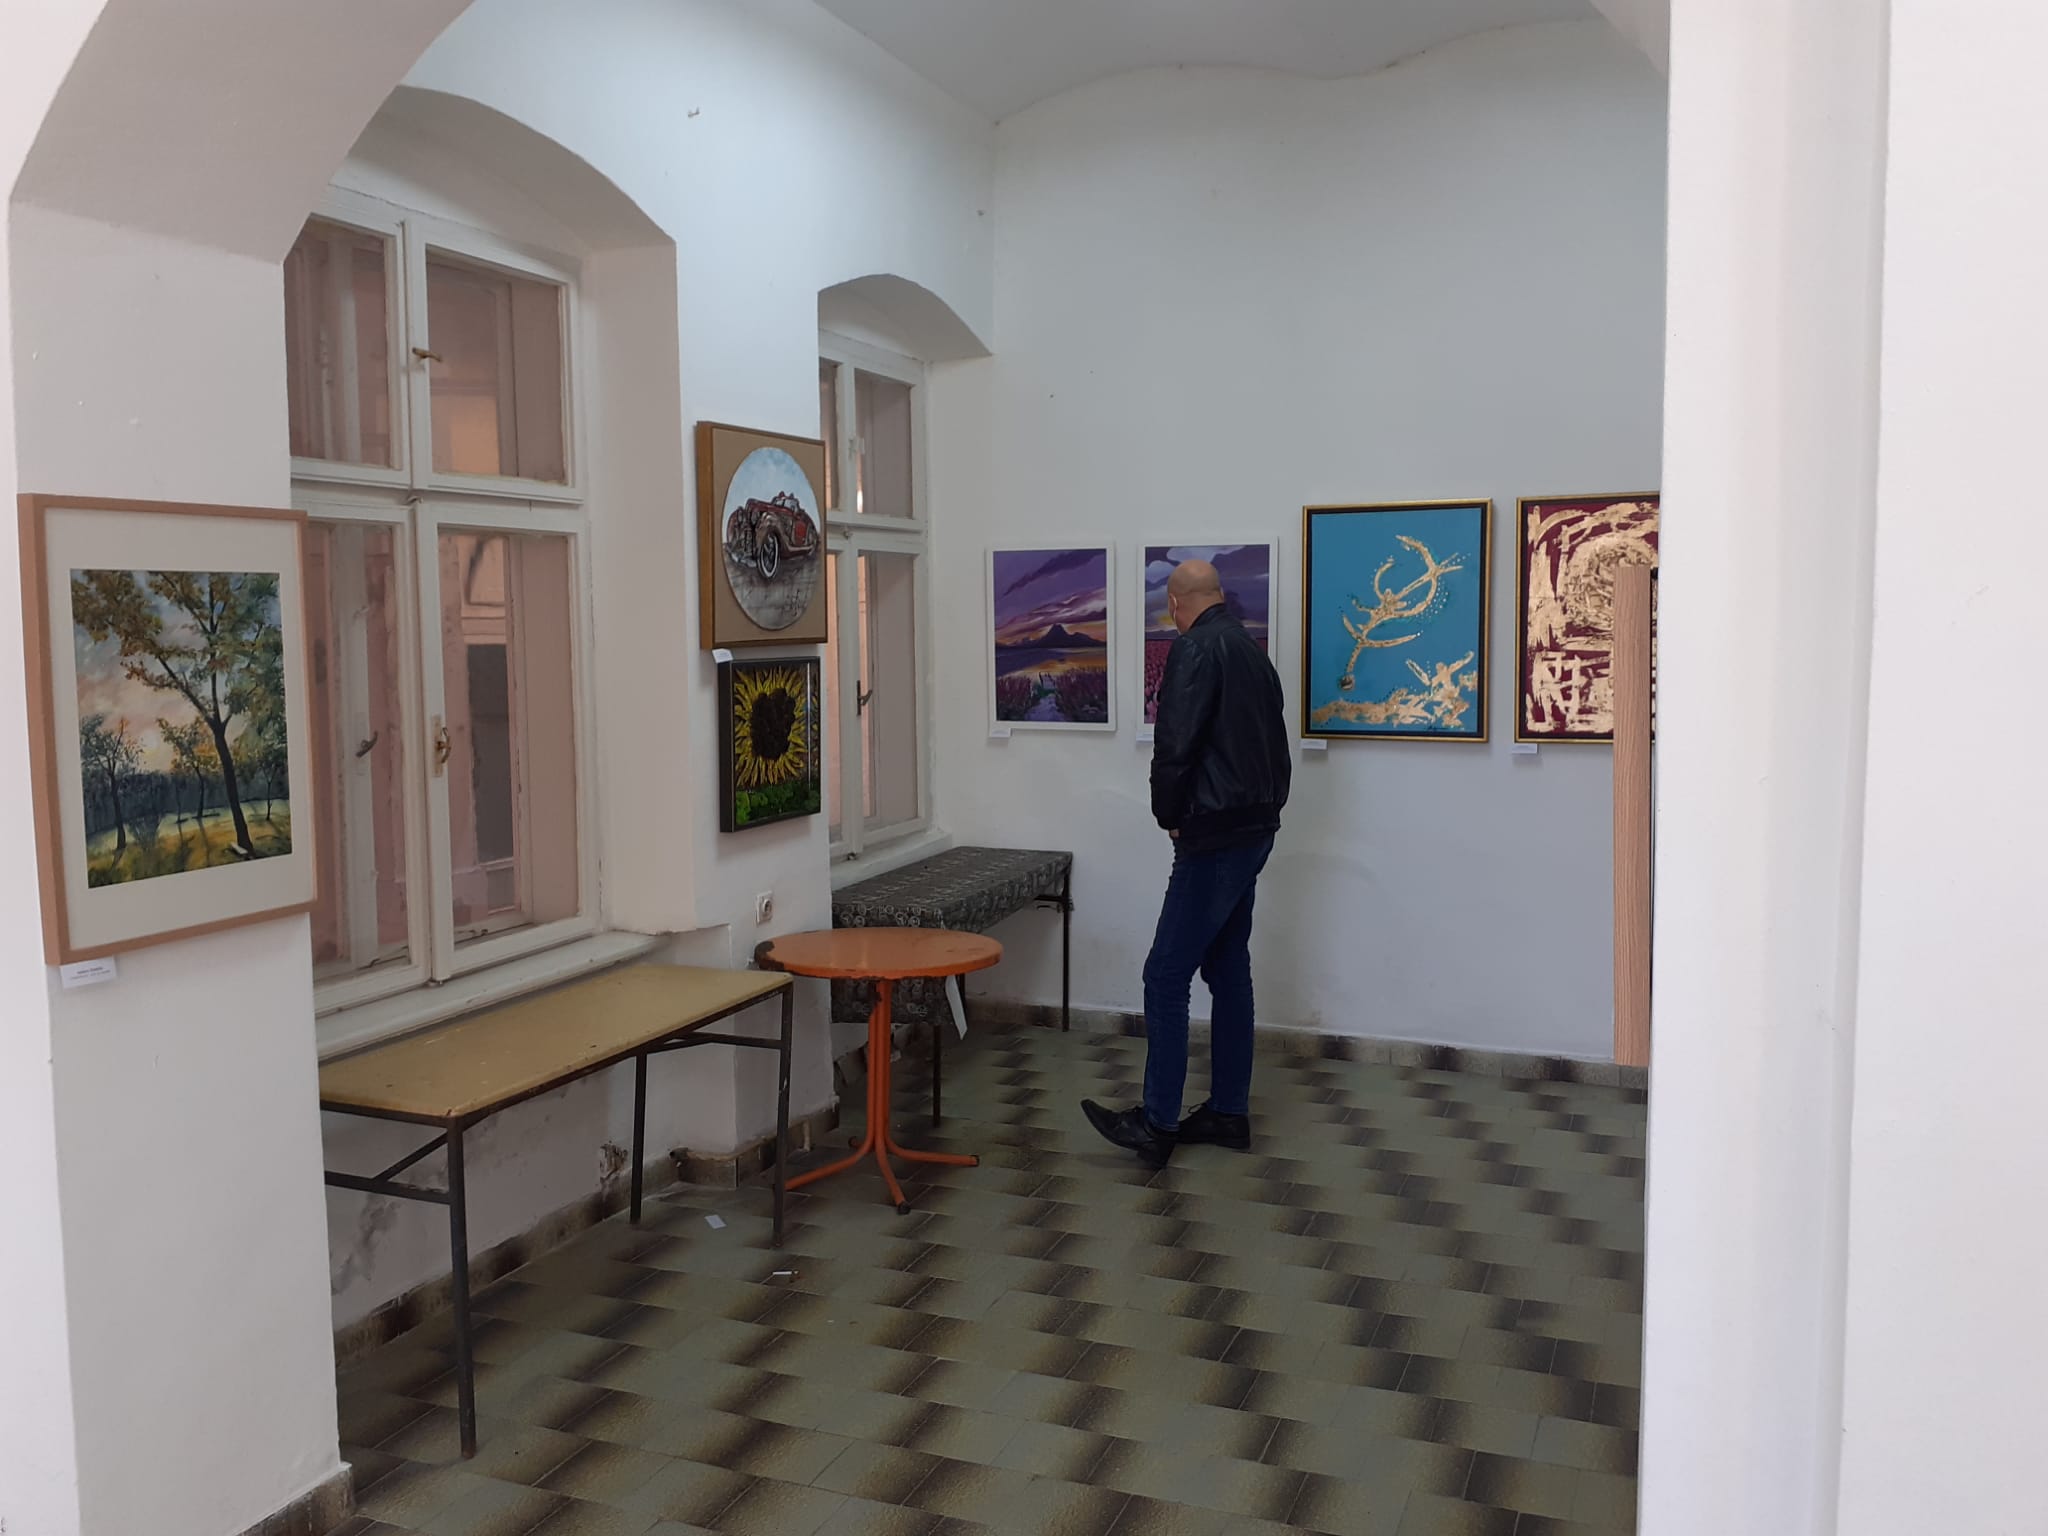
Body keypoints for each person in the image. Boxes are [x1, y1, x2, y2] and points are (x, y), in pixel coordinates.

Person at [1082, 559, 1291, 1167]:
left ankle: (1157, 1123)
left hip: (1214, 834)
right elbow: (1273, 746)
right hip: (1254, 828)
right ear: (1218, 596)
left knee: (1165, 974)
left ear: (1174, 604)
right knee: (1227, 968)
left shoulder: (1194, 649)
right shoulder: (1251, 650)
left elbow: (1175, 744)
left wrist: (1168, 812)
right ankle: (1227, 1113)